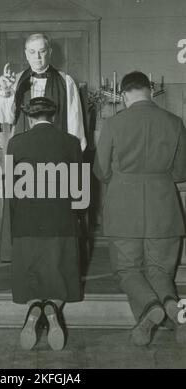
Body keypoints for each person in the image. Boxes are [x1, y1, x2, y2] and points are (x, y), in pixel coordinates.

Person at [93, 71, 186, 346]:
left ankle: (150, 307)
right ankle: (170, 303)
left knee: (127, 270)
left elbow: (101, 170)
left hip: (124, 207)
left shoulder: (113, 124)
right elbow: (181, 172)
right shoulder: (174, 122)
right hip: (164, 207)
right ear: (151, 90)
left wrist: (121, 179)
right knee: (160, 269)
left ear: (123, 95)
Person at [7, 97, 83, 351]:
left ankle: (34, 310)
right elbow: (79, 190)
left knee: (31, 272)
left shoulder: (16, 143)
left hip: (27, 219)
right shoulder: (71, 143)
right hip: (61, 219)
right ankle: (52, 308)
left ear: (29, 117)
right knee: (60, 271)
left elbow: (10, 189)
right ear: (55, 116)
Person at [0, 33, 86, 152]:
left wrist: (74, 152)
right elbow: (3, 117)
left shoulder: (66, 81)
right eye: (32, 52)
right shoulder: (16, 80)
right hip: (24, 151)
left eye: (42, 51)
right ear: (26, 54)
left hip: (56, 151)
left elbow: (74, 121)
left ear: (49, 52)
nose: (37, 56)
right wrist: (5, 90)